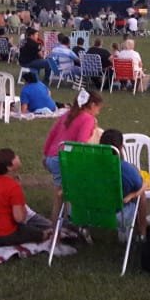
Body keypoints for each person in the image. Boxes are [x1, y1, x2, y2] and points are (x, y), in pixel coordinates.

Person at [42, 90, 104, 224]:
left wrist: (45, 155)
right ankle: (60, 224)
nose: (98, 112)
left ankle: (62, 221)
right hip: (63, 160)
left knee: (62, 192)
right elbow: (81, 144)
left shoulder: (68, 114)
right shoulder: (88, 119)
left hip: (52, 157)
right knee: (63, 195)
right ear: (92, 105)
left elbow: (52, 134)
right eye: (98, 109)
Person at [0, 148, 52, 247]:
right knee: (36, 233)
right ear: (9, 167)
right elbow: (19, 218)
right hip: (4, 234)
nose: (18, 156)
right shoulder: (14, 187)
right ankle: (46, 235)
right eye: (14, 157)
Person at [98, 129, 149, 239]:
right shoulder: (125, 169)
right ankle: (142, 233)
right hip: (116, 214)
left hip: (91, 212)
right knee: (141, 194)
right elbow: (139, 186)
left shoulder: (89, 165)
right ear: (121, 147)